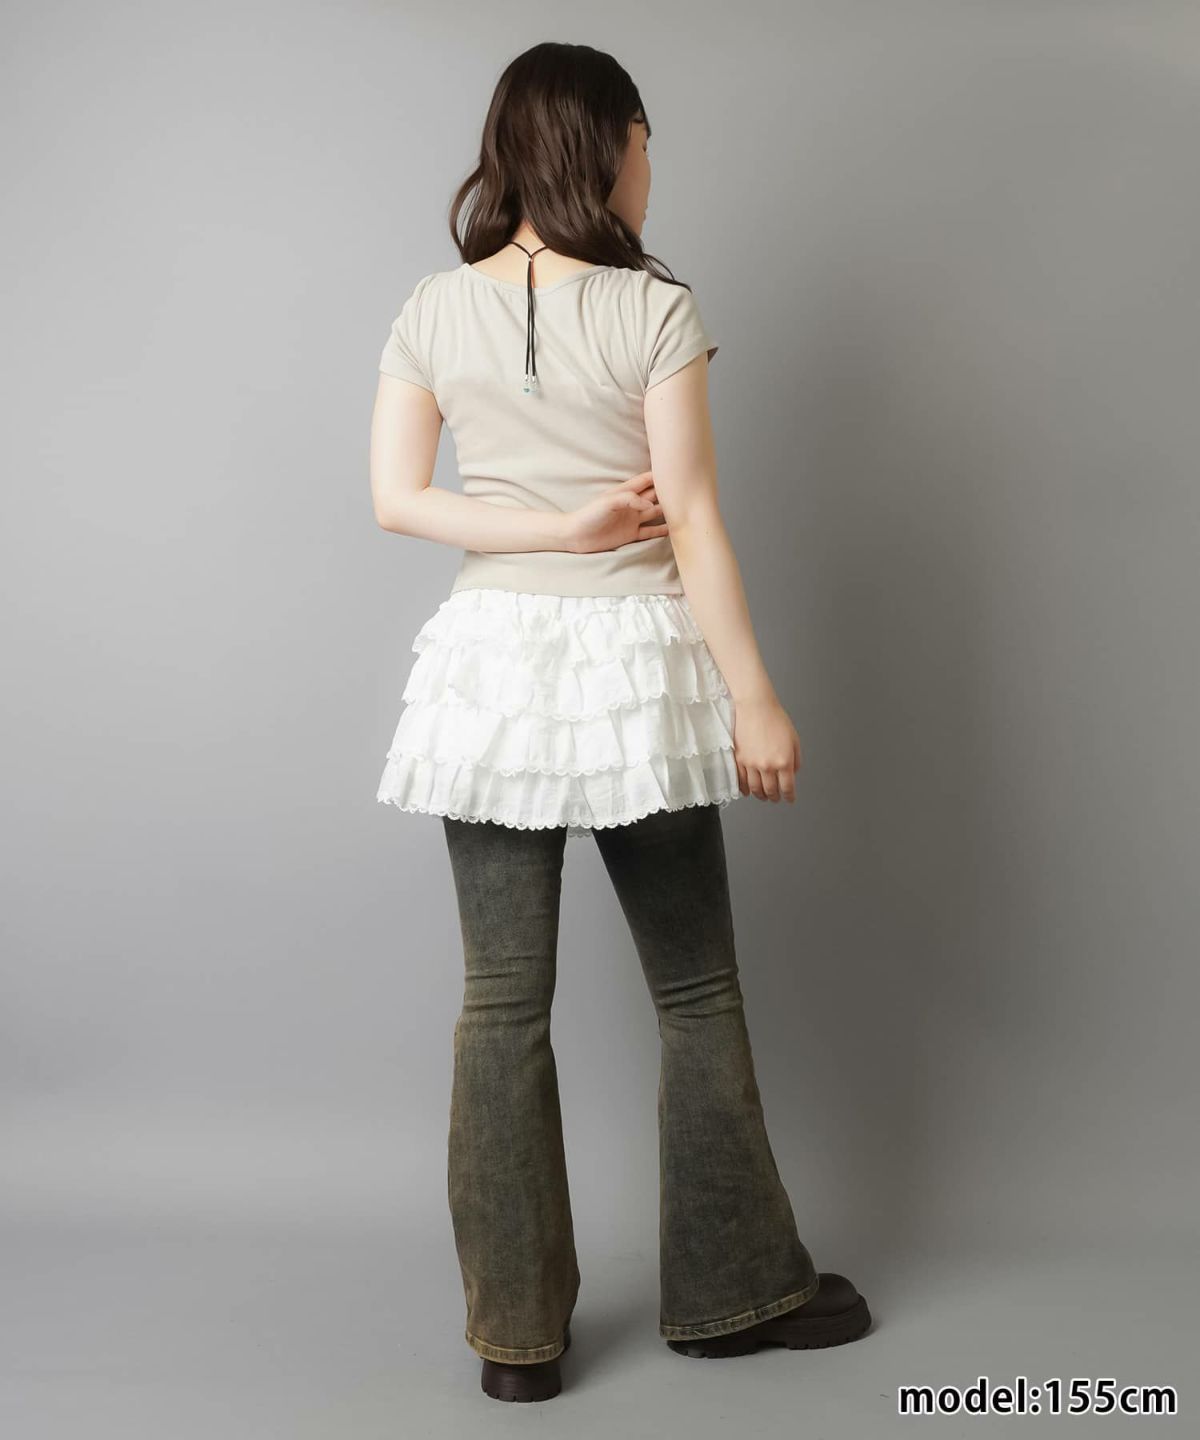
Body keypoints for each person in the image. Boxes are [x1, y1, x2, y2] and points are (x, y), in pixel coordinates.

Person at [369, 41, 870, 1404]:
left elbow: (399, 501)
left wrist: (540, 529)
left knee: (499, 1005)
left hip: (491, 672)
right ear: (607, 146)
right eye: (647, 143)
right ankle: (731, 1297)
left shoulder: (432, 307)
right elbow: (691, 515)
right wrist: (754, 693)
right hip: (633, 666)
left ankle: (516, 1342)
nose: (653, 169)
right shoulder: (654, 306)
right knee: (695, 990)